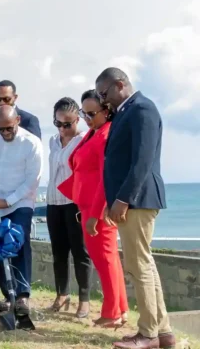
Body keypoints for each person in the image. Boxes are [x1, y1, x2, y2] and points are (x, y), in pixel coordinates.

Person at [94, 68, 175, 349]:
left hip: (139, 199)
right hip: (132, 198)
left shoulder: (142, 109)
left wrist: (123, 198)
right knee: (143, 264)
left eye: (105, 94)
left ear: (120, 84)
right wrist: (112, 199)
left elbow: (142, 161)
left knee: (138, 265)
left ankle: (148, 334)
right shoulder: (128, 111)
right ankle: (162, 332)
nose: (103, 101)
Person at [58, 90, 128, 329]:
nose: (87, 118)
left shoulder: (106, 134)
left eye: (91, 113)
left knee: (105, 259)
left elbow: (104, 178)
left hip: (97, 207)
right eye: (83, 113)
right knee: (108, 259)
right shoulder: (94, 132)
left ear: (106, 110)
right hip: (87, 204)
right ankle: (121, 308)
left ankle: (112, 313)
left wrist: (96, 215)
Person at [0, 79, 41, 309]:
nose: (5, 133)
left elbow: (32, 181)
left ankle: (22, 294)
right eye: (1, 128)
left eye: (9, 128)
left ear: (18, 120)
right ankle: (8, 294)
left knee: (18, 240)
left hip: (21, 201)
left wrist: (9, 200)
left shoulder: (32, 144)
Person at [45, 97, 92, 317]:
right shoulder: (53, 141)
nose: (63, 128)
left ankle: (84, 299)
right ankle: (62, 295)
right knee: (58, 252)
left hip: (74, 203)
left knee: (80, 252)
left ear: (78, 119)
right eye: (58, 123)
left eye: (68, 124)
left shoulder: (85, 140)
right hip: (53, 202)